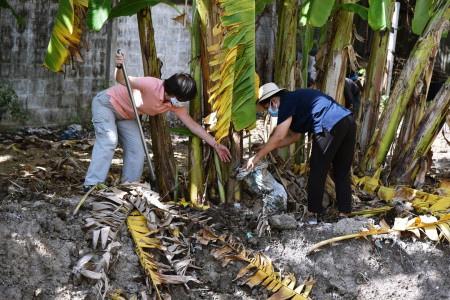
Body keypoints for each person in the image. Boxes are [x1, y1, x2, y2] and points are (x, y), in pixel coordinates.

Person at [82, 53, 231, 192]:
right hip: (107, 104)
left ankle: (129, 187)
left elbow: (193, 126)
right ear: (172, 92)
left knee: (137, 150)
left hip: (127, 115)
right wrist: (119, 66)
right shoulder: (152, 85)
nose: (182, 103)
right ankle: (91, 185)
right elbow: (122, 80)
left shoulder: (174, 104)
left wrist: (216, 145)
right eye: (181, 99)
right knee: (109, 141)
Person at [243, 83, 356, 224]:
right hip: (348, 121)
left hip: (329, 123)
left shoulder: (286, 103)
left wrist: (256, 158)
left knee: (317, 168)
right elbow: (293, 137)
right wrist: (265, 146)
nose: (268, 112)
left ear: (274, 101)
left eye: (267, 108)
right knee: (342, 170)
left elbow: (278, 137)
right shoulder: (294, 101)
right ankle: (343, 215)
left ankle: (311, 214)